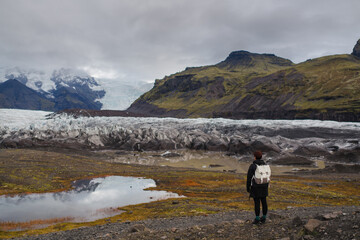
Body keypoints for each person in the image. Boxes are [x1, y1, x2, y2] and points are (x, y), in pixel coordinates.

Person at [246, 151, 269, 224]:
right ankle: (264, 217)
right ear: (261, 157)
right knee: (264, 201)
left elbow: (249, 177)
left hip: (256, 186)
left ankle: (257, 218)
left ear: (255, 157)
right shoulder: (265, 164)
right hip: (265, 185)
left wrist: (248, 187)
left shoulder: (253, 166)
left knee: (257, 202)